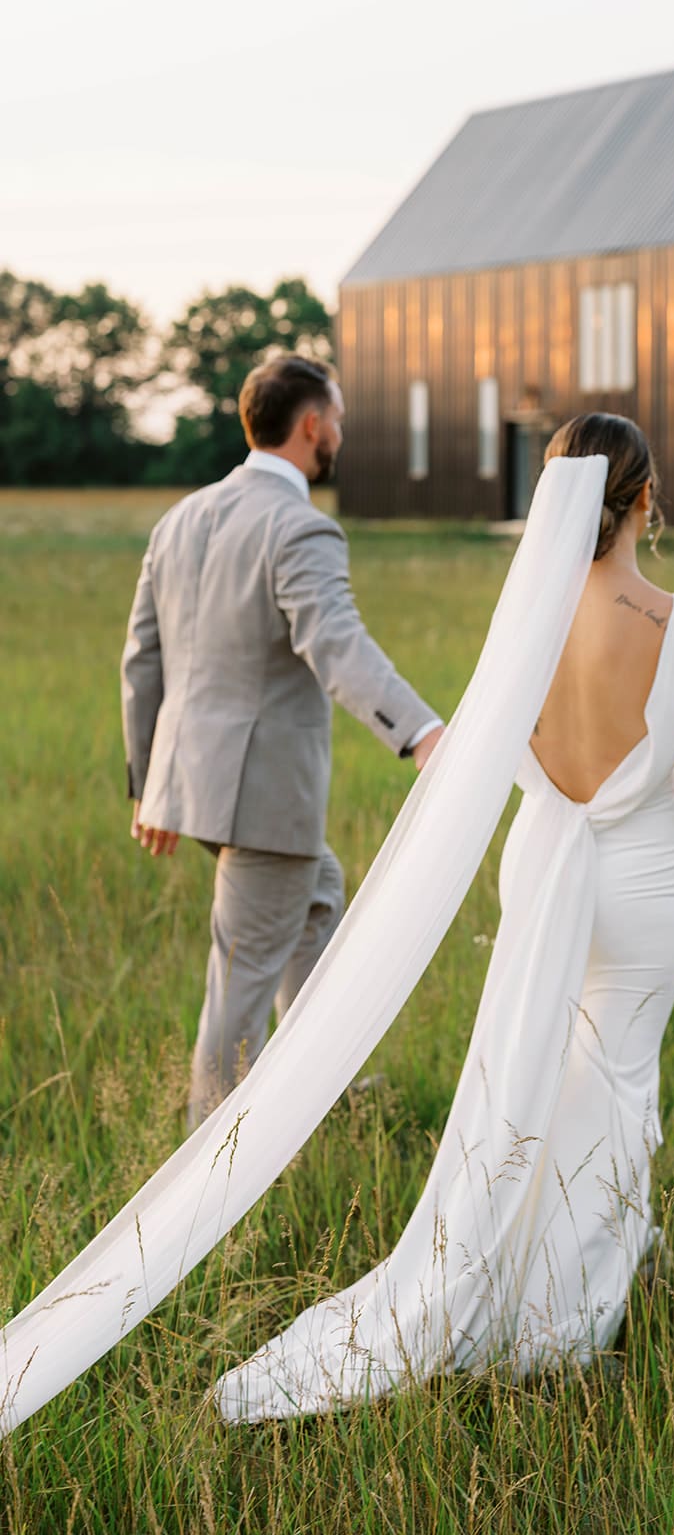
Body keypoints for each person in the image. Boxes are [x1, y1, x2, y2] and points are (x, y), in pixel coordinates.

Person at [0, 416, 674, 1435]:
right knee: (614, 1079)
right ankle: (572, 1316)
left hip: (541, 866)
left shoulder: (524, 616)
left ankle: (549, 1267)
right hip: (642, 879)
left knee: (538, 1066)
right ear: (647, 500)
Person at [120, 355, 443, 1129]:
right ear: (310, 426)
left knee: (319, 895)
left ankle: (313, 1082)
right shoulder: (299, 526)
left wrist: (149, 784)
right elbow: (337, 644)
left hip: (190, 788)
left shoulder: (182, 518)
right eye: (336, 419)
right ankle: (211, 1162)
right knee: (240, 980)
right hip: (259, 799)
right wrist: (423, 733)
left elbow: (141, 660)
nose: (339, 432)